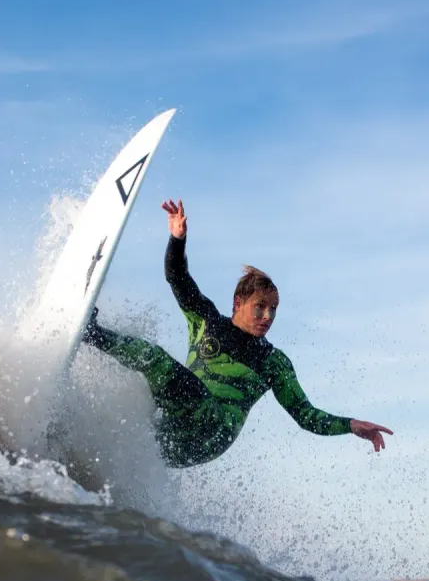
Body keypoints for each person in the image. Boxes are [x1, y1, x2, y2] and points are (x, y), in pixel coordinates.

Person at [82, 199, 393, 468]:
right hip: (169, 434)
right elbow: (177, 277)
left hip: (210, 434)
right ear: (238, 303)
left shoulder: (273, 362)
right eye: (261, 307)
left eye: (274, 309)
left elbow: (306, 415)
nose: (268, 316)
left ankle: (92, 334)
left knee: (157, 361)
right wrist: (177, 240)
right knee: (138, 403)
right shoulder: (205, 320)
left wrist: (350, 426)